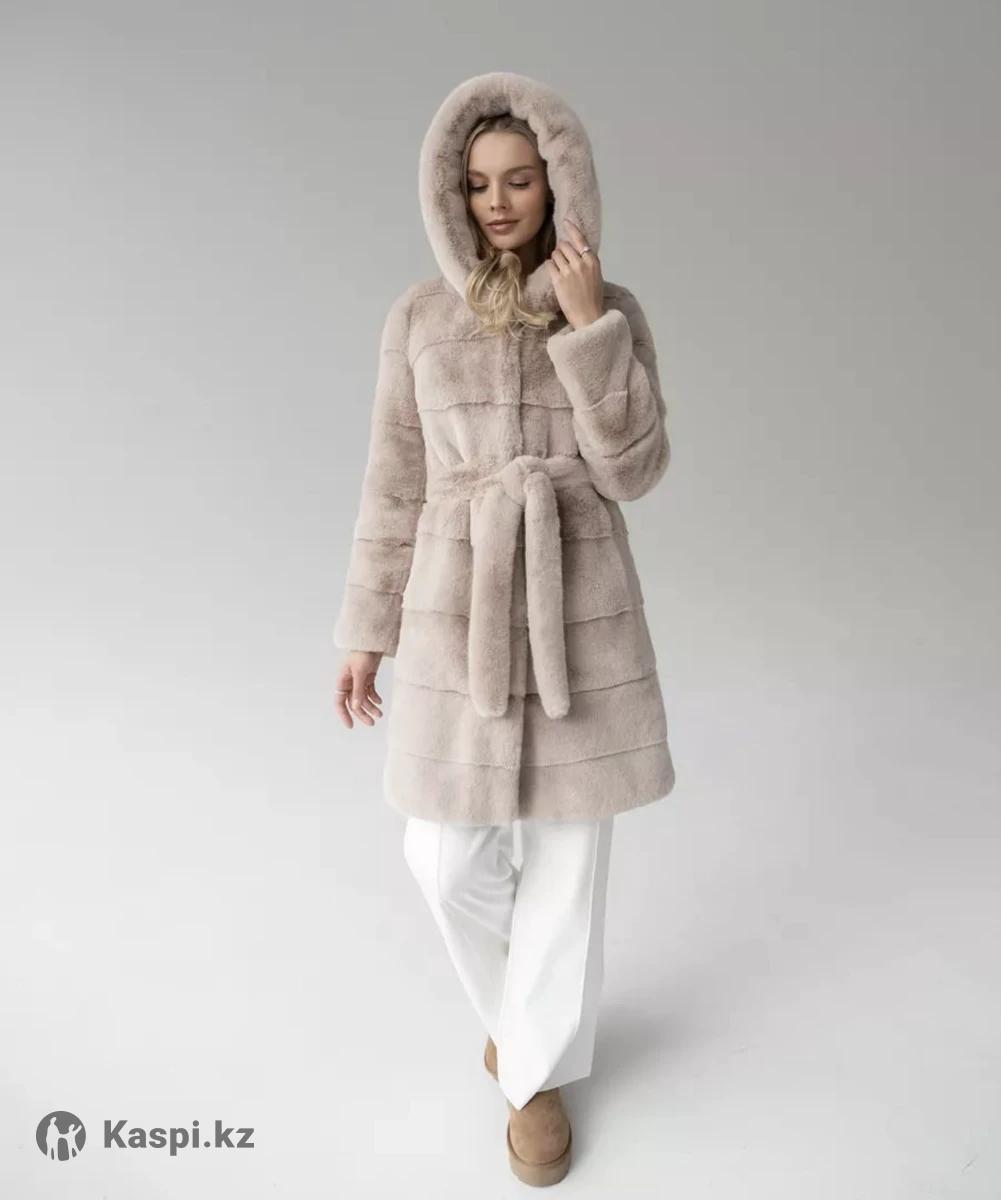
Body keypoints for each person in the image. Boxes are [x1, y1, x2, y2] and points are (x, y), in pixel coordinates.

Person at [332, 71, 675, 1186]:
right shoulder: (418, 320)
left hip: (576, 604)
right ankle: (526, 1027)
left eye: (519, 180)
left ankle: (530, 1079)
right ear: (451, 192)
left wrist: (588, 327)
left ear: (556, 184)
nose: (497, 202)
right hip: (458, 601)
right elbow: (393, 479)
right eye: (478, 183)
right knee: (442, 859)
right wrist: (365, 630)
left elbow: (635, 471)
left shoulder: (609, 306)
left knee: (568, 860)